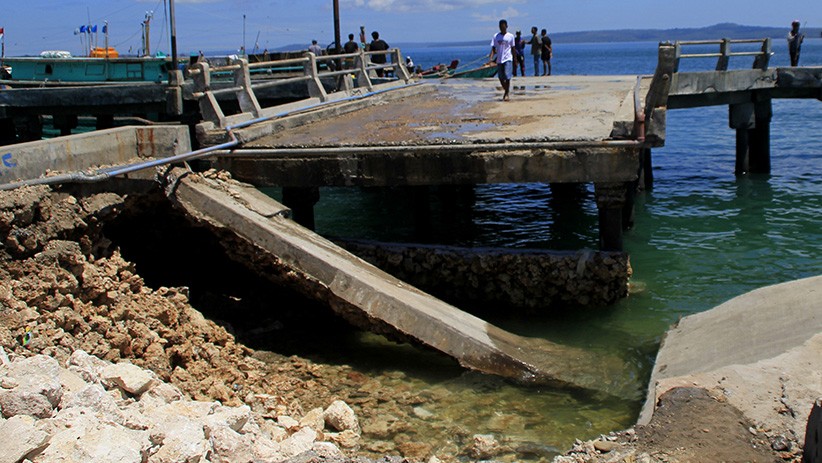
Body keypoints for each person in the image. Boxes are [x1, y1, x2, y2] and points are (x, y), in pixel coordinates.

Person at [489, 19, 516, 101]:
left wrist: (515, 59)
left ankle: (506, 93)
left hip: (508, 58)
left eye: (503, 27)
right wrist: (491, 58)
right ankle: (506, 90)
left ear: (506, 26)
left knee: (507, 76)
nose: (502, 28)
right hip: (499, 59)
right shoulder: (496, 36)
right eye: (501, 27)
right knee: (500, 77)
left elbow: (513, 48)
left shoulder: (510, 36)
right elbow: (493, 48)